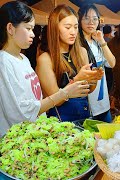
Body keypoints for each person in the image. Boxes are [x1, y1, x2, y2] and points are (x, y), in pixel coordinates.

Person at [0, 1, 89, 136]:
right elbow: (20, 111)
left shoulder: (23, 59)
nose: (33, 34)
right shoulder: (4, 63)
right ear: (10, 28)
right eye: (28, 29)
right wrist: (65, 92)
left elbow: (35, 100)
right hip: (17, 137)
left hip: (34, 132)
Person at [36, 4, 104, 122]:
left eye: (76, 27)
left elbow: (88, 90)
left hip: (84, 115)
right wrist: (77, 79)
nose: (73, 32)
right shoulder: (45, 59)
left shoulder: (82, 52)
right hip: (61, 122)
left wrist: (93, 79)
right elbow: (56, 101)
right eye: (67, 27)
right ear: (55, 28)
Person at [78, 4, 116, 123]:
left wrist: (102, 41)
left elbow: (112, 63)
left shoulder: (96, 42)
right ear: (79, 20)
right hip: (87, 105)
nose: (91, 22)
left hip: (103, 103)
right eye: (86, 18)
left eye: (95, 19)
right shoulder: (77, 44)